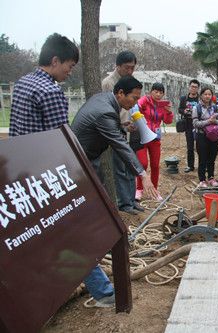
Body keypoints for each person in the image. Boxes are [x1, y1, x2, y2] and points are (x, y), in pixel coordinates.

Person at [9, 33, 115, 308]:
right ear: (55, 60)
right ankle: (103, 293)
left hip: (20, 175)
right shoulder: (50, 91)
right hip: (46, 177)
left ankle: (33, 295)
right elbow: (62, 144)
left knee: (31, 236)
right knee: (68, 234)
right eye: (69, 65)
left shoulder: (22, 84)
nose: (70, 71)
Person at [101, 51, 142, 215]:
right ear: (118, 66)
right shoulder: (108, 83)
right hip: (116, 131)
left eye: (133, 68)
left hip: (129, 130)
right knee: (120, 168)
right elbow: (108, 109)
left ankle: (131, 200)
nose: (130, 71)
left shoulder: (131, 82)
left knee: (130, 166)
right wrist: (120, 126)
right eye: (127, 68)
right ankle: (124, 203)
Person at [135, 83, 173, 200]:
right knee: (143, 164)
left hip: (155, 138)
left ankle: (155, 190)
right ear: (151, 92)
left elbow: (168, 121)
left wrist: (168, 111)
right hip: (142, 136)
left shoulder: (162, 105)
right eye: (156, 91)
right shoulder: (144, 101)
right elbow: (135, 109)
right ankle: (139, 189)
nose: (158, 94)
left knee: (155, 165)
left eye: (161, 93)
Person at [192, 87, 218, 188]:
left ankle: (211, 177)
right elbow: (195, 123)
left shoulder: (215, 107)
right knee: (202, 158)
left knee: (212, 158)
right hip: (202, 136)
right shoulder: (197, 108)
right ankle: (202, 179)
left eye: (209, 94)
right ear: (201, 95)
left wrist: (215, 121)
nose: (207, 96)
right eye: (205, 94)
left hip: (213, 136)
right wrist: (208, 121)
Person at [178, 79, 200, 173]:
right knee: (190, 147)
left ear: (198, 88)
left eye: (195, 87)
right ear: (189, 87)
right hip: (188, 124)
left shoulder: (200, 98)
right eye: (192, 86)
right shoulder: (184, 98)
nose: (193, 89)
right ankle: (190, 166)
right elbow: (180, 109)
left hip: (199, 124)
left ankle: (202, 165)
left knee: (200, 146)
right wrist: (184, 111)